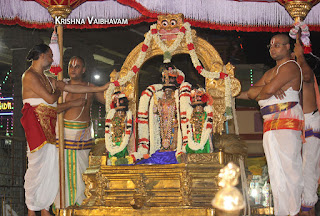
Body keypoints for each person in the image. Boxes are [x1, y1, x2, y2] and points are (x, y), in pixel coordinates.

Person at [21, 44, 110, 216]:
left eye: (77, 66)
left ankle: (46, 209)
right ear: (41, 56)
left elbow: (74, 89)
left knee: (50, 169)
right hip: (39, 125)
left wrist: (100, 88)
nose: (53, 59)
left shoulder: (47, 77)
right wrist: (64, 97)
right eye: (50, 55)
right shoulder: (30, 75)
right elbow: (50, 98)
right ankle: (31, 210)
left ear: (84, 70)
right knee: (37, 168)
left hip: (56, 130)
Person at [247, 34, 304, 216]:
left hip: (287, 124)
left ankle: (294, 211)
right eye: (271, 45)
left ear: (288, 47)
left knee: (290, 169)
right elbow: (250, 93)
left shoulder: (291, 67)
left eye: (278, 45)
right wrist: (267, 88)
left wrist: (266, 89)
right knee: (275, 172)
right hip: (270, 126)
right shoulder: (270, 73)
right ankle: (282, 212)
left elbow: (267, 91)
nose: (273, 48)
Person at [53, 56, 105, 208]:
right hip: (63, 135)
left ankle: (81, 207)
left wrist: (118, 86)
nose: (73, 68)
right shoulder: (61, 86)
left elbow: (109, 100)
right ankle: (62, 208)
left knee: (82, 174)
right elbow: (52, 109)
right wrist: (71, 103)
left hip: (82, 138)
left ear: (83, 70)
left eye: (77, 66)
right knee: (61, 175)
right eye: (70, 66)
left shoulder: (91, 87)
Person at [294, 33, 320, 216]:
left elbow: (307, 77)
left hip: (308, 126)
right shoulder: (285, 76)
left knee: (307, 174)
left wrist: (300, 56)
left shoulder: (306, 75)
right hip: (294, 128)